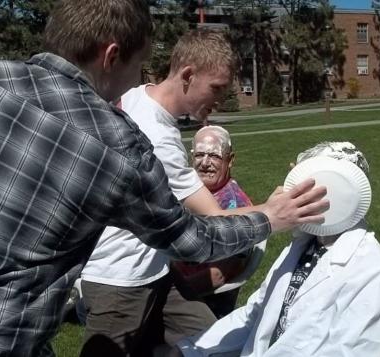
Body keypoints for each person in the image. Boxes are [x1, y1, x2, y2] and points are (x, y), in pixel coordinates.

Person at [0, 1, 329, 356]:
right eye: (140, 67)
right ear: (111, 57)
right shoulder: (116, 144)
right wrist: (270, 217)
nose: (137, 81)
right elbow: (192, 237)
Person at [81, 30, 317, 357]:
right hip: (120, 281)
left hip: (157, 272)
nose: (219, 99)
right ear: (188, 75)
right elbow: (214, 216)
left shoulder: (138, 96)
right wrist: (275, 212)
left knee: (209, 340)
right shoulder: (158, 140)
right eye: (216, 88)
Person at [170, 141, 380, 357]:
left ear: (335, 196)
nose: (285, 195)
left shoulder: (373, 273)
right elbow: (254, 313)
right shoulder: (304, 246)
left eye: (299, 188)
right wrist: (189, 348)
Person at [172, 125, 256, 319]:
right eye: (199, 154)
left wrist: (168, 296)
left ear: (230, 160)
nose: (205, 163)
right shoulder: (198, 195)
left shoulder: (234, 206)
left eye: (214, 156)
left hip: (203, 304)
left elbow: (219, 274)